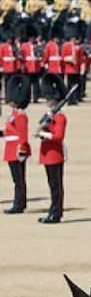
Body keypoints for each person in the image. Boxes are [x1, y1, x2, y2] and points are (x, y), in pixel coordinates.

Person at [36, 74, 69, 224]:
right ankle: (53, 211)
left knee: (56, 186)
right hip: (48, 153)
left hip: (54, 154)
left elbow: (58, 137)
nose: (47, 102)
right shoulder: (51, 115)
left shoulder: (60, 117)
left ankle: (56, 213)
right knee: (52, 184)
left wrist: (44, 133)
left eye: (49, 99)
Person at [2, 75, 31, 214]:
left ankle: (19, 204)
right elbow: (10, 131)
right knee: (17, 179)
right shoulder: (13, 114)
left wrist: (23, 149)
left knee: (19, 180)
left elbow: (22, 134)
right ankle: (19, 203)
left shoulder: (20, 115)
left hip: (17, 150)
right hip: (10, 148)